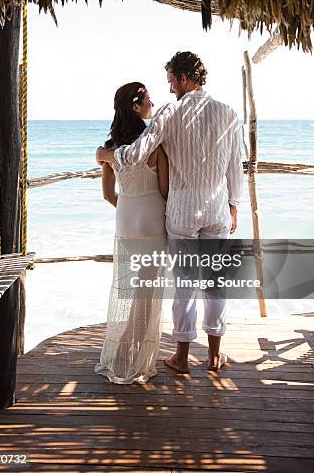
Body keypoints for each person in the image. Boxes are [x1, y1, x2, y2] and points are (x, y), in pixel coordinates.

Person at [97, 51, 243, 373]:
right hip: (217, 210)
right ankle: (215, 355)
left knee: (185, 285)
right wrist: (234, 206)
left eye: (171, 82)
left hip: (181, 213)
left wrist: (106, 154)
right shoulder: (229, 113)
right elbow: (236, 167)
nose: (170, 89)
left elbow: (135, 155)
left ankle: (181, 357)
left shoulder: (169, 113)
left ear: (184, 78)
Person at [94, 82, 169, 384]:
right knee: (147, 294)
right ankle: (130, 354)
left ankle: (123, 349)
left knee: (131, 290)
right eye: (149, 100)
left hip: (125, 221)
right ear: (136, 107)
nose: (153, 104)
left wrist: (128, 207)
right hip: (151, 221)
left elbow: (108, 195)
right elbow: (165, 191)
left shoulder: (110, 150)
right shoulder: (156, 146)